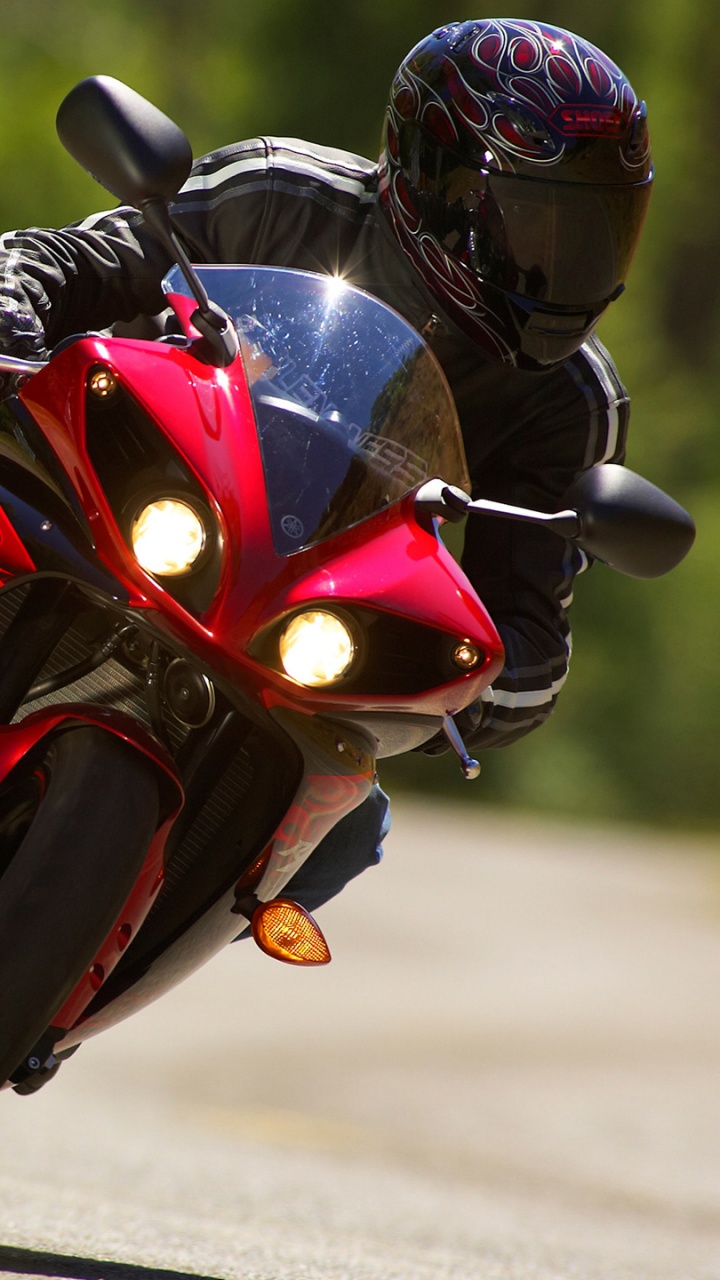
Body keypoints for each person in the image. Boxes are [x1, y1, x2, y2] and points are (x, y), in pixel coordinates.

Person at [0, 18, 653, 913]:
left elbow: (527, 643)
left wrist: (436, 679)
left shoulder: (574, 401)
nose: (565, 263)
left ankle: (56, 1010)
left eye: (594, 232)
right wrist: (13, 325)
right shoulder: (280, 190)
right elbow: (67, 260)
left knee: (343, 832)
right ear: (440, 181)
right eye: (538, 222)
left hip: (299, 644)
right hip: (120, 504)